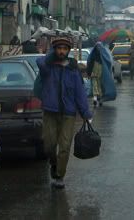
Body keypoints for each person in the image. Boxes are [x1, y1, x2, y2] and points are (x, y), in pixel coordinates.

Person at [36, 36, 92, 189]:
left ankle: (59, 176)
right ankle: (53, 164)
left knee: (65, 146)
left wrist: (86, 113)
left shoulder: (73, 69)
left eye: (64, 49)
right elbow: (39, 62)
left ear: (68, 51)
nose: (61, 51)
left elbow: (79, 92)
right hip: (50, 111)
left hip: (68, 113)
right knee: (49, 145)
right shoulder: (48, 66)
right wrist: (51, 56)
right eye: (59, 48)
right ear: (55, 50)